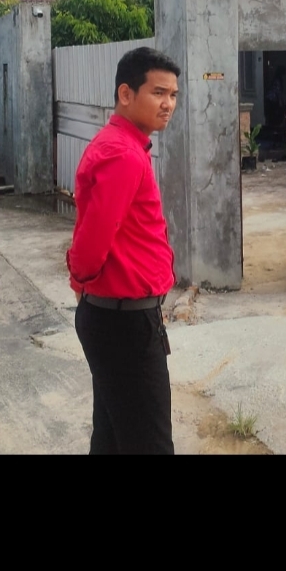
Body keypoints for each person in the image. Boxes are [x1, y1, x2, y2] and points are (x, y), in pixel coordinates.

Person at [66, 47, 180, 455]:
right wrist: (82, 282)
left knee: (113, 438)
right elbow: (91, 242)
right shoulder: (123, 154)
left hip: (118, 318)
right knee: (149, 443)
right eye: (158, 93)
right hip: (124, 325)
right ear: (126, 94)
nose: (168, 104)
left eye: (173, 95)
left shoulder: (123, 146)